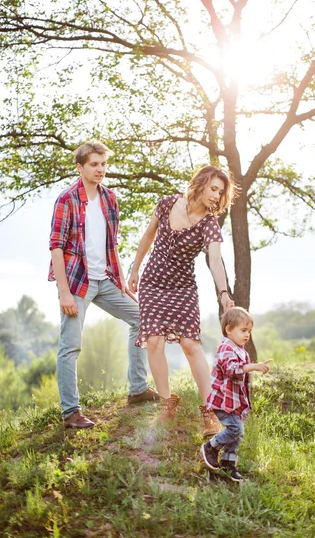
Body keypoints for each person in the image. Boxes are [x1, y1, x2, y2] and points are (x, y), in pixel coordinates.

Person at [48, 140, 158, 429]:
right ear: (80, 167)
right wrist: (63, 293)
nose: (100, 169)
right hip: (76, 281)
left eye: (103, 164)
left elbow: (112, 244)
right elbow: (56, 247)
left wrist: (121, 279)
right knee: (70, 346)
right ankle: (71, 411)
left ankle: (137, 389)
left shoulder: (110, 198)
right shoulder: (67, 199)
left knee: (141, 317)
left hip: (106, 279)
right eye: (94, 164)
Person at [128, 165, 236, 436]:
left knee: (190, 344)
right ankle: (167, 403)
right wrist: (135, 268)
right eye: (213, 188)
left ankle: (209, 411)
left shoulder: (210, 224)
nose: (216, 196)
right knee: (154, 340)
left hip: (183, 288)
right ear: (200, 183)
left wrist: (224, 293)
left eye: (220, 193)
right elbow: (149, 235)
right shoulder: (166, 203)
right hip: (153, 283)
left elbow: (215, 260)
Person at [201, 307, 271, 482]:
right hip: (223, 399)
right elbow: (232, 370)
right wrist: (254, 366)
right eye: (243, 330)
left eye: (249, 331)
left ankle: (228, 462)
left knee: (238, 433)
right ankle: (211, 447)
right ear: (229, 329)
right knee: (235, 429)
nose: (247, 335)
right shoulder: (226, 347)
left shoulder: (241, 350)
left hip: (235, 400)